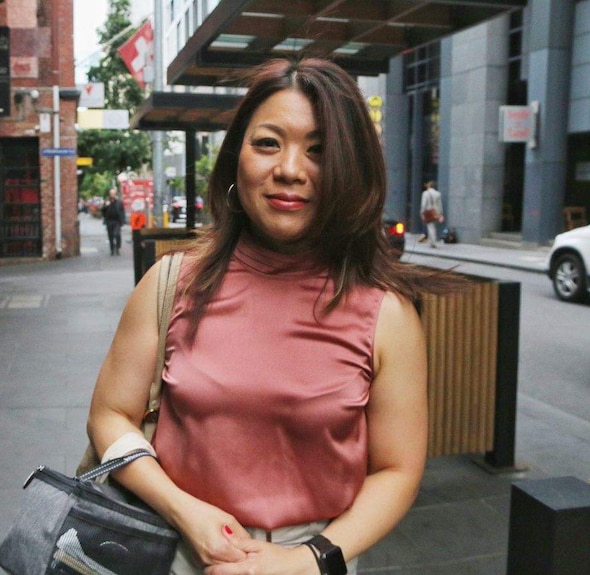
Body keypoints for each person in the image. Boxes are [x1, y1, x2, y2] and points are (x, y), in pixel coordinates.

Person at [86, 58, 459, 575]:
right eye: (267, 143)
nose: (289, 168)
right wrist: (183, 511)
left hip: (314, 557)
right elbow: (109, 415)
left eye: (319, 150)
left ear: (351, 170)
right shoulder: (170, 285)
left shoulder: (387, 314)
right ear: (236, 157)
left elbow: (397, 470)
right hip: (172, 551)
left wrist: (308, 560)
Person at [420, 181, 445, 248]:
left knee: (430, 227)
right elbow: (440, 205)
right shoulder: (438, 193)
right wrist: (440, 214)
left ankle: (433, 242)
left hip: (428, 212)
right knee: (433, 227)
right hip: (436, 212)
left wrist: (422, 212)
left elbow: (423, 204)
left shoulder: (425, 193)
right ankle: (431, 242)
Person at [101, 187, 126, 255]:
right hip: (109, 221)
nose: (112, 195)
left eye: (113, 193)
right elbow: (102, 212)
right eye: (111, 193)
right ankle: (112, 249)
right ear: (109, 194)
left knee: (117, 234)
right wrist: (105, 206)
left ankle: (117, 248)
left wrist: (123, 221)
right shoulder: (107, 202)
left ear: (115, 194)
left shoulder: (119, 202)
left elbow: (122, 211)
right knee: (110, 236)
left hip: (117, 221)